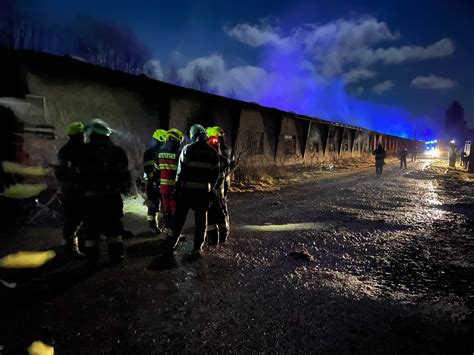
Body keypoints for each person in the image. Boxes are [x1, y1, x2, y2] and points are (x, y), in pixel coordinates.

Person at [79, 119, 131, 263]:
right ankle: (116, 255)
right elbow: (125, 174)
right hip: (112, 197)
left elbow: (77, 176)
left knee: (91, 231)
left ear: (91, 134)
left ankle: (92, 257)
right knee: (113, 228)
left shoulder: (83, 151)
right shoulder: (117, 151)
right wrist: (123, 188)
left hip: (90, 199)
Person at [166, 124, 219, 255]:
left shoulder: (187, 149)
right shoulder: (213, 152)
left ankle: (170, 245)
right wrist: (210, 188)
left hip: (186, 192)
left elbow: (180, 172)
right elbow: (215, 175)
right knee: (201, 221)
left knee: (178, 219)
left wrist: (176, 189)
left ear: (193, 135)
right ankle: (197, 248)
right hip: (203, 193)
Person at [55, 122, 85, 254]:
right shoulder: (86, 150)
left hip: (71, 191)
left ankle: (71, 245)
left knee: (72, 219)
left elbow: (60, 172)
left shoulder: (64, 150)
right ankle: (78, 246)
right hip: (81, 190)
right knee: (81, 219)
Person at [206, 126, 231, 245]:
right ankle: (223, 234)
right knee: (222, 210)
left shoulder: (213, 152)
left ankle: (213, 238)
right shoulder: (224, 149)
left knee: (211, 213)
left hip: (215, 187)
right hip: (222, 185)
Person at [158, 128, 183, 234]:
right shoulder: (178, 155)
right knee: (175, 209)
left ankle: (165, 228)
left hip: (162, 187)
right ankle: (174, 231)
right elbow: (182, 172)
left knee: (166, 207)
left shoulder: (159, 153)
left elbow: (156, 170)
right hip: (173, 187)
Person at [143, 129, 166, 233]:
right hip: (155, 183)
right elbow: (148, 169)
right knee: (153, 205)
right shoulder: (151, 152)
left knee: (161, 206)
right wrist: (153, 181)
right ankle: (153, 226)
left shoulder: (157, 151)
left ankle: (159, 226)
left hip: (159, 183)